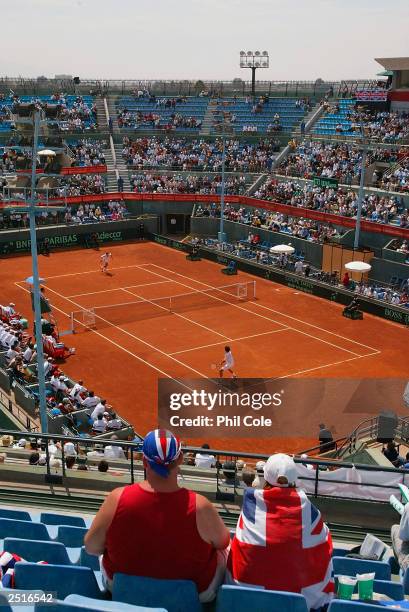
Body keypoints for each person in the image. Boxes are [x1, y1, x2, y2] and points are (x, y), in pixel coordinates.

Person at [84, 429, 230, 602]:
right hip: (192, 594)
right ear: (180, 459)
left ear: (145, 461)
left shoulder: (117, 498)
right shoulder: (201, 506)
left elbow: (91, 547)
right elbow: (223, 542)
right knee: (224, 549)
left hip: (123, 587)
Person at [226, 453, 334, 611]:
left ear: (266, 476)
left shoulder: (250, 506)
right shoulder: (312, 513)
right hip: (300, 605)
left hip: (247, 603)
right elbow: (325, 548)